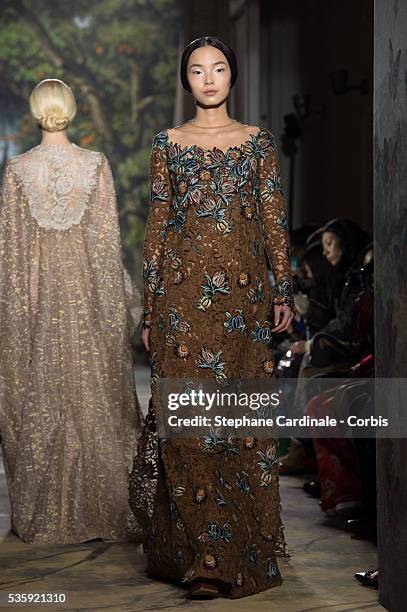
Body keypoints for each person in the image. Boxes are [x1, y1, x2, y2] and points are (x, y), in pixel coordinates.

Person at [129, 37, 295, 599]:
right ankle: (204, 560)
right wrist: (150, 306)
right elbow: (157, 229)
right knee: (188, 430)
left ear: (233, 77)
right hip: (180, 298)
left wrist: (284, 290)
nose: (208, 78)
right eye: (197, 70)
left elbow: (273, 218)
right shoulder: (167, 144)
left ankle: (239, 550)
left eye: (218, 68)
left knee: (240, 427)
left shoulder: (257, 144)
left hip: (244, 303)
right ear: (185, 80)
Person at [0, 79, 142, 544]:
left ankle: (45, 514)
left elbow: (12, 259)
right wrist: (114, 309)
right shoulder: (95, 165)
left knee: (41, 400)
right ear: (73, 110)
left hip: (37, 305)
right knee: (94, 396)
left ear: (36, 110)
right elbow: (104, 248)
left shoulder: (18, 170)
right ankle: (103, 511)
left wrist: (18, 315)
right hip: (85, 299)